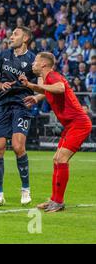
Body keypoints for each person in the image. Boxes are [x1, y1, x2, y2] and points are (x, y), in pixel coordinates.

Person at [19, 52, 93, 213]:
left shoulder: (53, 76)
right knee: (56, 159)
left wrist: (31, 86)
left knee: (61, 159)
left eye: (36, 61)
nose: (33, 63)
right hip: (70, 125)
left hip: (79, 124)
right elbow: (48, 91)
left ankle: (58, 202)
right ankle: (54, 199)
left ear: (44, 64)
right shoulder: (47, 79)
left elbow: (59, 88)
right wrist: (37, 98)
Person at [0, 26, 36, 206]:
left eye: (15, 34)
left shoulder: (33, 60)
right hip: (3, 104)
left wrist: (35, 95)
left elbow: (43, 86)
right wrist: (1, 85)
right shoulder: (3, 55)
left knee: (17, 146)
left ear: (25, 39)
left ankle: (25, 189)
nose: (11, 36)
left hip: (21, 105)